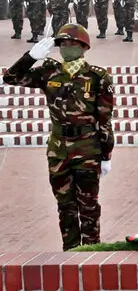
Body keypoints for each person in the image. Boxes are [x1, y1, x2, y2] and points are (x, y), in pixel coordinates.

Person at [3, 24, 115, 250]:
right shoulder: (48, 72)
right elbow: (11, 78)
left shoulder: (97, 77)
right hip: (58, 149)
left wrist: (106, 154)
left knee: (89, 205)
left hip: (87, 149)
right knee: (65, 205)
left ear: (84, 47)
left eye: (72, 44)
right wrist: (31, 57)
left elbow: (104, 119)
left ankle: (93, 252)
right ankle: (71, 253)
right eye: (62, 44)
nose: (66, 47)